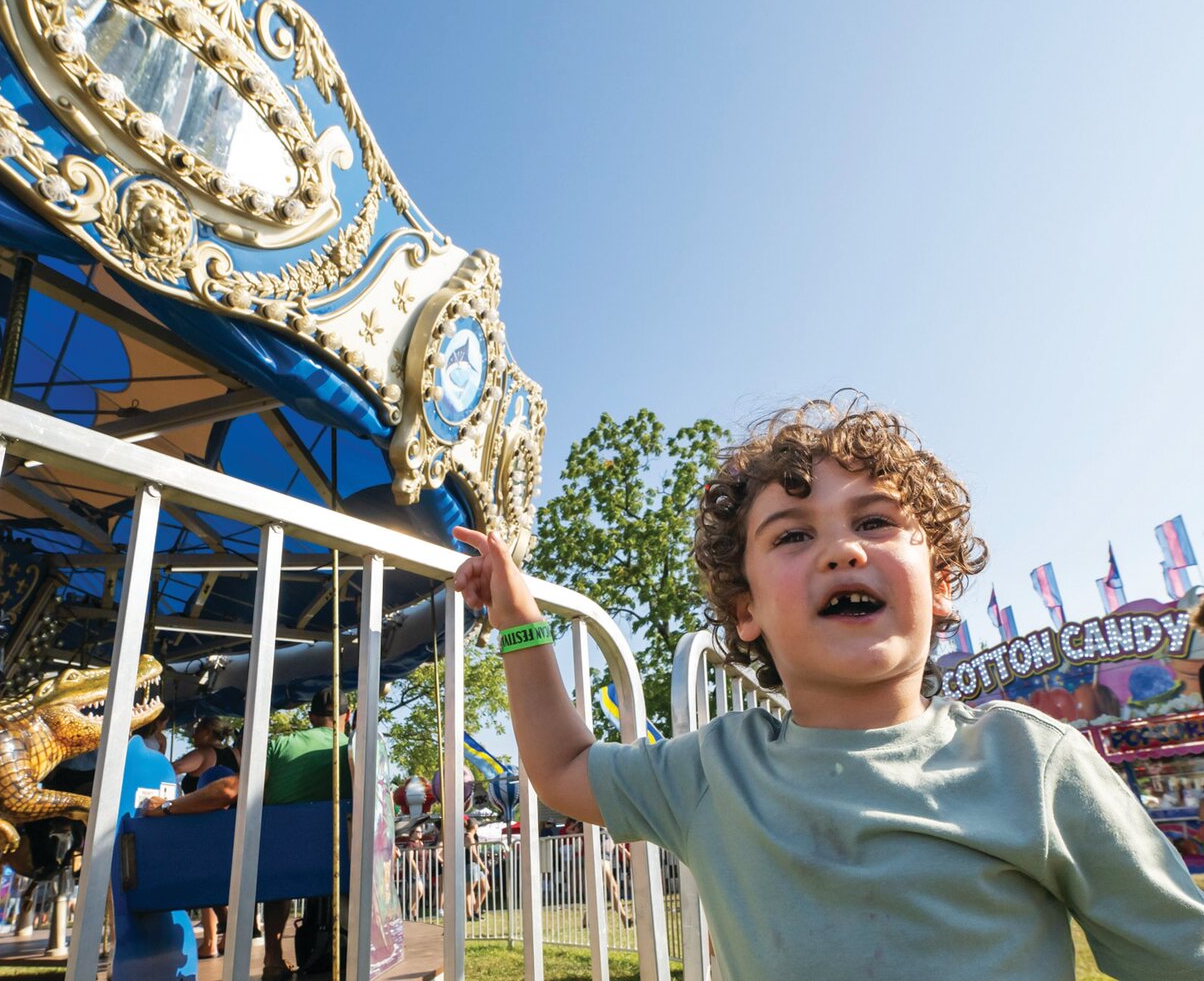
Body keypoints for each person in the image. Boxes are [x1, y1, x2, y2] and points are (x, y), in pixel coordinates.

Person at [451, 398, 1204, 979]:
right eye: (792, 534)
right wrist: (520, 620)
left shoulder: (1032, 762)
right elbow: (560, 770)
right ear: (746, 610)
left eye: (874, 521)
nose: (842, 550)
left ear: (940, 582)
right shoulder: (714, 772)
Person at [143, 687, 350, 980]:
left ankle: (274, 959)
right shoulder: (354, 750)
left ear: (310, 717)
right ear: (347, 715)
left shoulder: (280, 746)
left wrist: (167, 807)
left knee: (276, 866)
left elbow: (229, 790)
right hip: (342, 863)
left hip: (285, 865)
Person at [168, 715, 240, 958]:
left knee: (205, 879)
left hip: (204, 822)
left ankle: (210, 939)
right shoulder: (236, 754)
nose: (193, 734)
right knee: (225, 878)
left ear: (209, 732)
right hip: (231, 822)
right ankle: (227, 934)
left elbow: (175, 768)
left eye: (198, 729)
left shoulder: (204, 753)